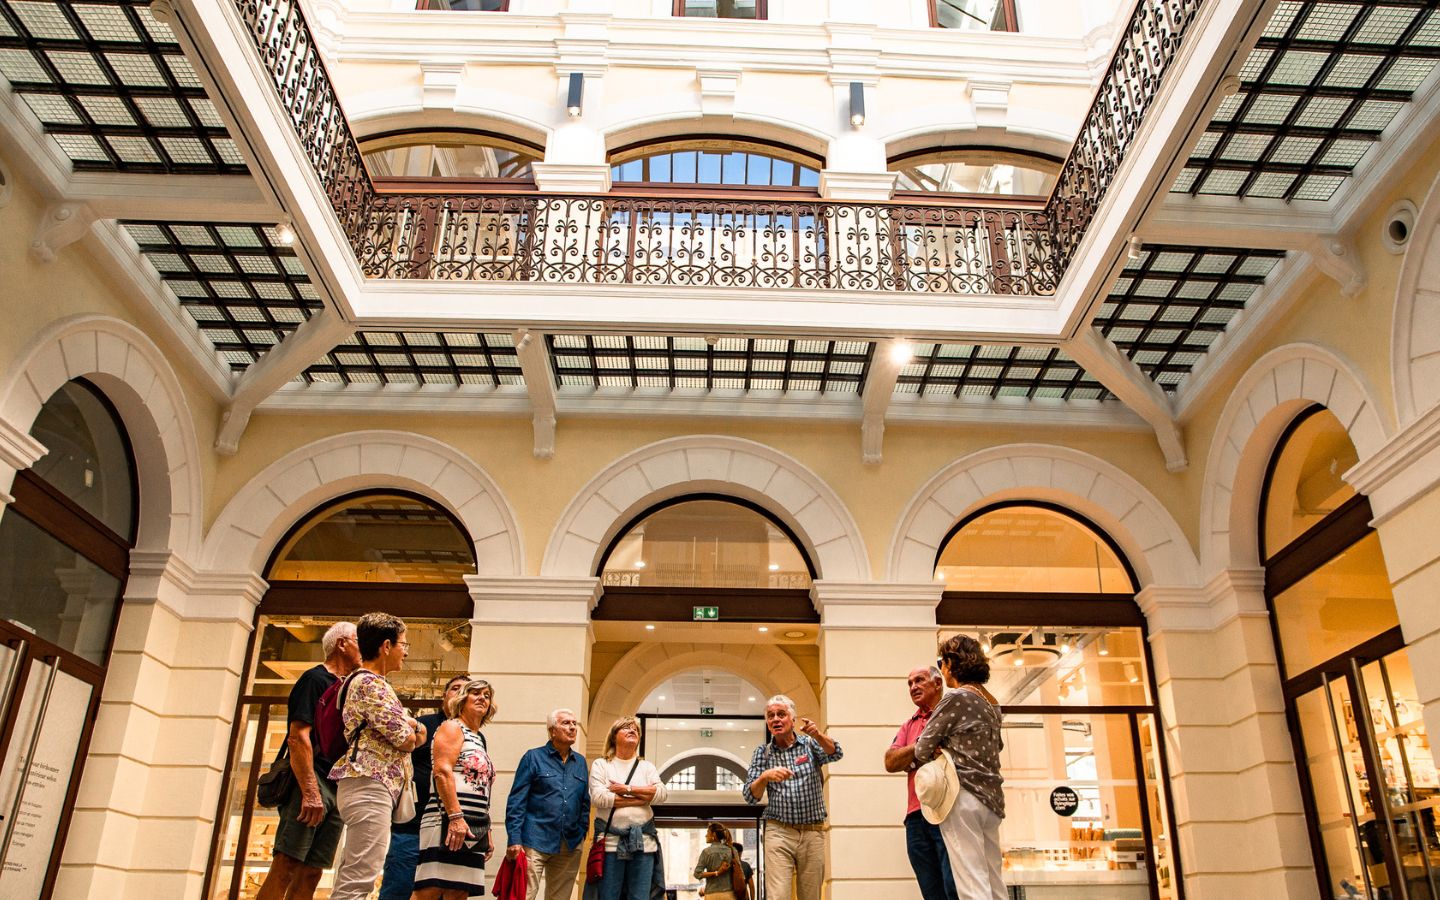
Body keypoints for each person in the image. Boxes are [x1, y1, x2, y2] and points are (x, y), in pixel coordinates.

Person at [327, 612, 429, 900]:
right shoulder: (371, 684)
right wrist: (416, 726)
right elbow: (408, 739)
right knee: (359, 879)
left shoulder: (364, 682)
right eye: (403, 645)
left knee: (355, 874)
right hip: (369, 786)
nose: (405, 653)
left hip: (367, 786)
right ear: (386, 646)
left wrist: (412, 727)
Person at [257, 621, 360, 900]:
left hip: (337, 785)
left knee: (313, 871)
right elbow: (297, 736)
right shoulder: (314, 680)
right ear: (342, 644)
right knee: (286, 864)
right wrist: (310, 791)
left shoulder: (350, 686)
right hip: (313, 781)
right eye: (359, 640)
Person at [914, 635, 1006, 900]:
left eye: (942, 662)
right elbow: (996, 746)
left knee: (971, 881)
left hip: (962, 795)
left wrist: (942, 745)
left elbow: (921, 748)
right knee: (993, 880)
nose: (941, 669)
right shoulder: (991, 702)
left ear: (952, 663)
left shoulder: (955, 697)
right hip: (992, 800)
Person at [741, 694, 842, 900]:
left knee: (810, 896)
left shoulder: (809, 745)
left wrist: (818, 735)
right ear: (768, 723)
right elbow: (750, 796)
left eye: (781, 714)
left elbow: (836, 753)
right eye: (771, 716)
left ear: (792, 719)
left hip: (812, 831)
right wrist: (765, 777)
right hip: (779, 832)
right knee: (778, 896)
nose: (776, 719)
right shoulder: (763, 753)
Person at [379, 674, 468, 900]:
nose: (460, 693)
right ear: (444, 696)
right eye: (455, 688)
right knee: (398, 888)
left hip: (448, 832)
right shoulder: (425, 725)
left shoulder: (473, 736)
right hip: (413, 826)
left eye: (465, 690)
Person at [414, 678, 500, 899]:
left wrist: (486, 830)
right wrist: (455, 816)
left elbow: (481, 787)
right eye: (476, 693)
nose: (482, 698)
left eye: (487, 695)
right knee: (430, 888)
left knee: (459, 891)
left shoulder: (479, 738)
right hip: (446, 818)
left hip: (473, 823)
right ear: (462, 699)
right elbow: (442, 771)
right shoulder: (452, 727)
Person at [885, 666, 961, 900]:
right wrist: (922, 746)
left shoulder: (952, 713)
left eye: (919, 680)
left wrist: (912, 760)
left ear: (938, 684)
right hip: (916, 817)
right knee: (931, 892)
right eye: (909, 683)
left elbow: (954, 754)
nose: (913, 687)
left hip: (950, 811)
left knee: (954, 887)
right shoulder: (909, 725)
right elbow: (890, 761)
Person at [505, 707, 590, 900]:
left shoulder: (580, 763)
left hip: (570, 843)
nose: (572, 728)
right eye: (565, 723)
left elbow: (585, 801)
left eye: (574, 723)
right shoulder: (532, 757)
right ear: (552, 730)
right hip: (534, 839)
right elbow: (517, 801)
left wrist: (582, 831)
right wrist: (514, 838)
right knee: (523, 896)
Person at [588, 716, 667, 899]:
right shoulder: (602, 765)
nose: (632, 730)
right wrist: (642, 798)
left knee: (640, 897)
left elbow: (661, 794)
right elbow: (599, 797)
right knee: (608, 896)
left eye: (636, 729)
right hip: (609, 845)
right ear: (614, 736)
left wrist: (626, 789)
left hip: (644, 845)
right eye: (626, 728)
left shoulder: (646, 767)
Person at [692, 823, 739, 900]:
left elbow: (697, 874)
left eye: (707, 832)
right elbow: (741, 873)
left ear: (714, 834)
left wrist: (716, 873)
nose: (706, 835)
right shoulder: (733, 850)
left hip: (712, 894)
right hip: (729, 894)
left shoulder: (706, 852)